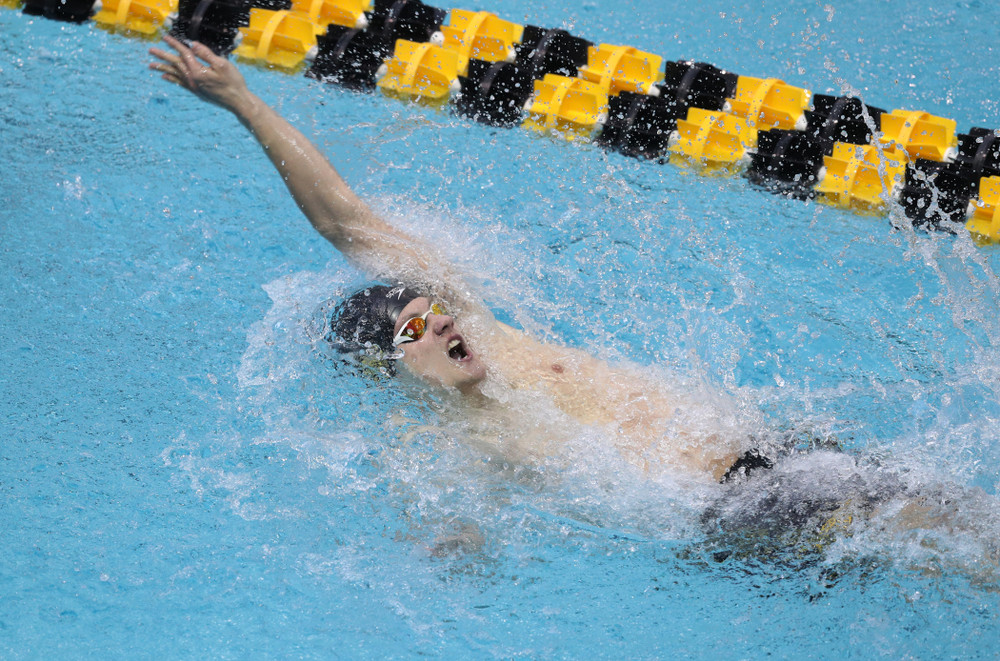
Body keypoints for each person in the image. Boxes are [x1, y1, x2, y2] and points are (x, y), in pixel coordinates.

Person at [147, 35, 783, 483]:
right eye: (415, 328)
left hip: (765, 447)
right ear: (385, 367)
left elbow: (344, 222)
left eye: (437, 312)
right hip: (730, 506)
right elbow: (455, 531)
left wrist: (246, 102)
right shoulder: (435, 447)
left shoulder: (493, 337)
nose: (446, 324)